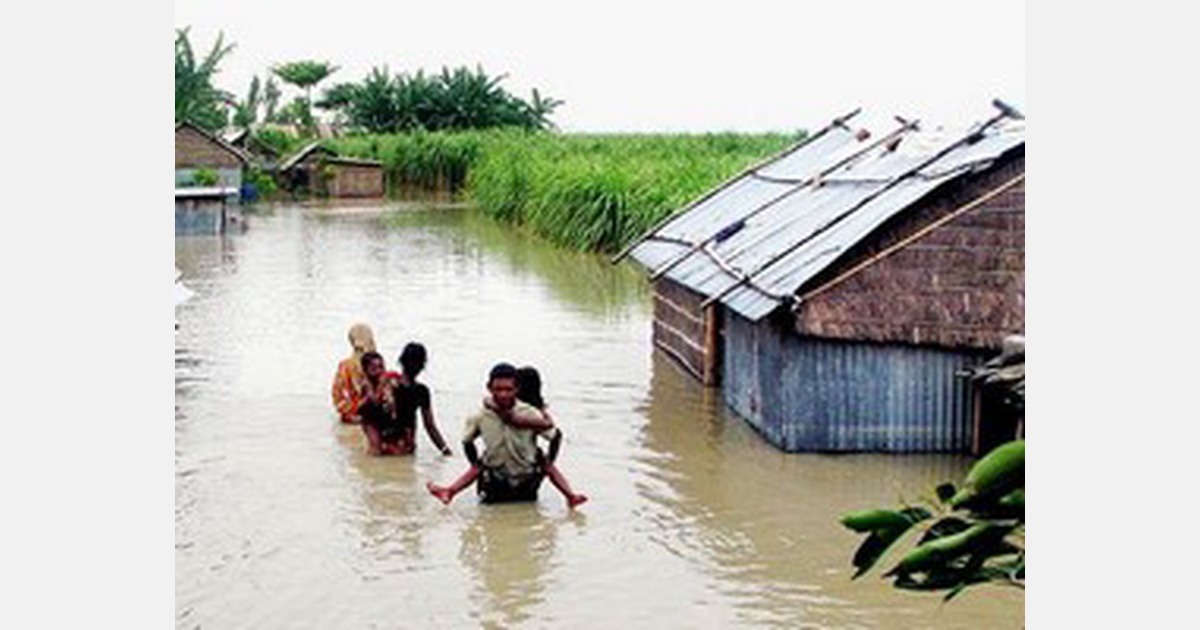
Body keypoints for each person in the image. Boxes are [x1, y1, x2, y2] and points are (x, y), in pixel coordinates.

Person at [426, 363, 587, 508]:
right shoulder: (480, 416)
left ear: (517, 389)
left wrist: (548, 463)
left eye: (508, 389)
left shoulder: (530, 413)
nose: (503, 394)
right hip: (495, 482)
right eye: (498, 389)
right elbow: (467, 441)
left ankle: (570, 496)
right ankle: (450, 491)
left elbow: (555, 436)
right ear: (489, 388)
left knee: (541, 475)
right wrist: (476, 465)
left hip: (526, 481)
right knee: (480, 471)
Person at [332, 323, 376, 424]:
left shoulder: (344, 366)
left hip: (349, 417)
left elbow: (337, 396)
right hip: (372, 418)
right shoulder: (376, 363)